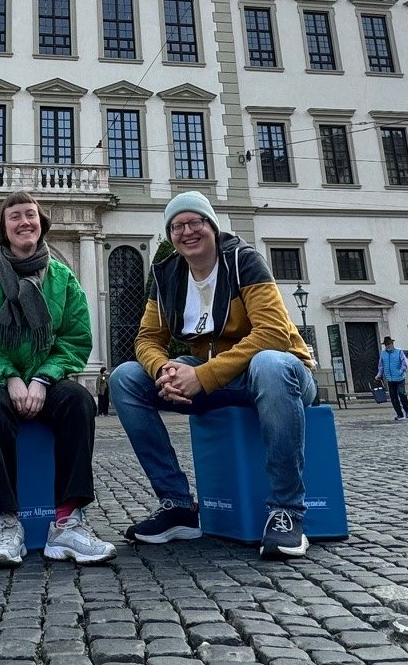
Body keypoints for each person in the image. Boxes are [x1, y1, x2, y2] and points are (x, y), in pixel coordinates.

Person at [110, 190, 317, 560]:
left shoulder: (244, 260)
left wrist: (202, 376)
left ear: (212, 226)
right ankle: (177, 506)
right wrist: (165, 370)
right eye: (177, 226)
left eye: (195, 222)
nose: (187, 231)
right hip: (214, 379)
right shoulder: (167, 274)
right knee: (126, 378)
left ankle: (287, 511)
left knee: (269, 363)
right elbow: (147, 338)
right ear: (170, 235)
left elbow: (272, 333)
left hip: (280, 375)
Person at [0, 191, 115, 568]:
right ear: (4, 229)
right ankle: (8, 523)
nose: (25, 221)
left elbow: (76, 340)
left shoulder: (63, 280)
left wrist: (43, 378)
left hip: (46, 380)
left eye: (31, 215)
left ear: (41, 223)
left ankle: (67, 522)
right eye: (15, 217)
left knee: (78, 401)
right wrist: (8, 375)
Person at [376, 336, 408, 422]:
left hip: (400, 378)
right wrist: (379, 375)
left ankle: (407, 410)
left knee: (401, 393)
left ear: (392, 344)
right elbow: (381, 366)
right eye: (386, 344)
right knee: (393, 397)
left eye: (389, 344)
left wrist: (400, 371)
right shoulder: (383, 353)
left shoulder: (399, 352)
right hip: (390, 379)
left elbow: (405, 363)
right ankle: (399, 414)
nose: (388, 346)